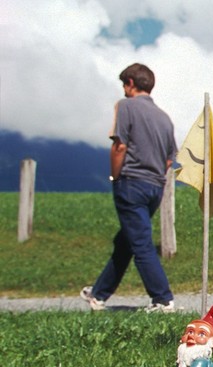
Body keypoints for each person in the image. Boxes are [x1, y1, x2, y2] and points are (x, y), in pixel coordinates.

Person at [80, 63, 176, 312]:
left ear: (131, 83)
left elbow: (119, 146)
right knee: (126, 240)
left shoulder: (126, 106)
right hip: (155, 187)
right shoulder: (165, 118)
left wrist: (115, 177)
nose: (123, 89)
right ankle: (99, 295)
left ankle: (163, 299)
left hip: (131, 182)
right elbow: (169, 159)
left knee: (141, 243)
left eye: (124, 84)